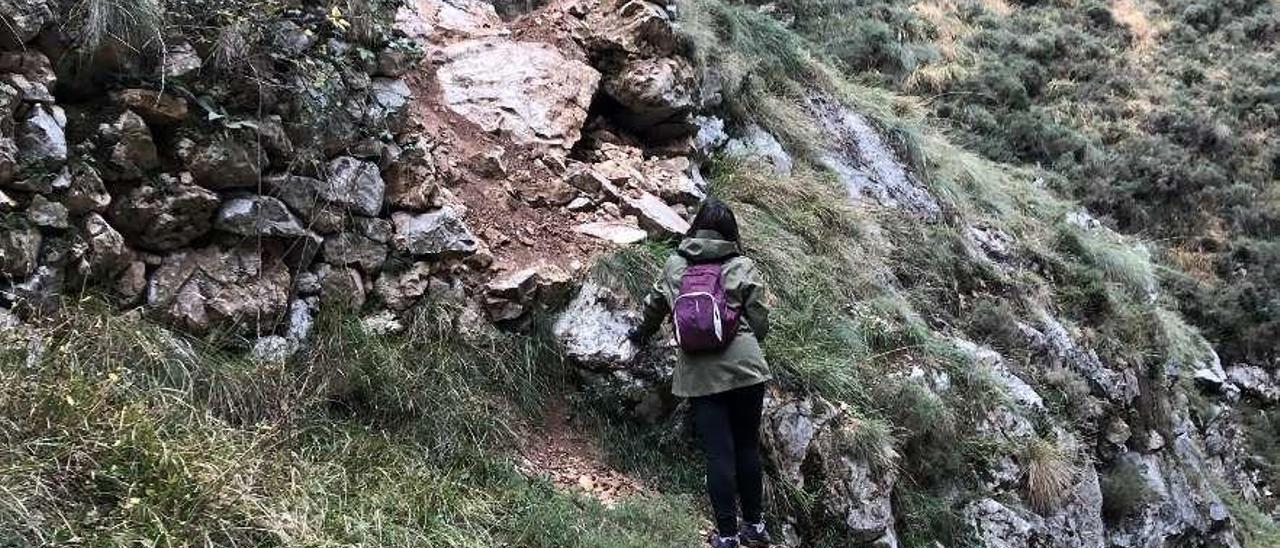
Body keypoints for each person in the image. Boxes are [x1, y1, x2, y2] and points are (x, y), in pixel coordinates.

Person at [628, 198, 774, 548]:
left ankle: (726, 537)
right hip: (746, 369)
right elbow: (760, 318)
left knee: (718, 454)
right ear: (730, 232)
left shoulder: (675, 264)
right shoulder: (741, 265)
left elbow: (654, 306)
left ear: (695, 228)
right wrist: (747, 342)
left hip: (699, 374)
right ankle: (754, 527)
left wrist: (639, 335)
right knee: (746, 447)